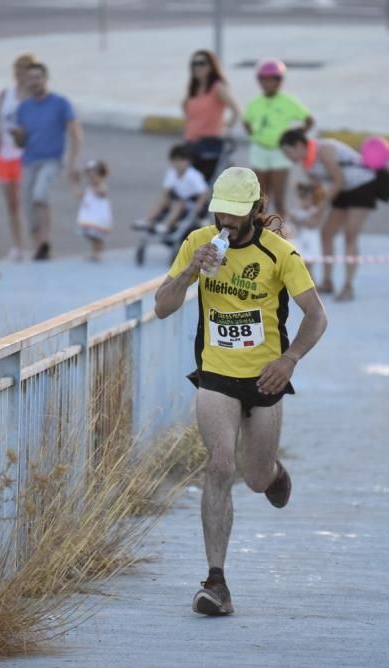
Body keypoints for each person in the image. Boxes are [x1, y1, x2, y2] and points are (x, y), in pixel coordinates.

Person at [154, 166, 328, 617]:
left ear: (255, 210)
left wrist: (289, 361)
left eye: (235, 216)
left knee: (253, 477)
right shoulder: (198, 243)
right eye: (220, 215)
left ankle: (273, 474)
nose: (226, 225)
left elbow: (316, 316)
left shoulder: (279, 254)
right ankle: (216, 583)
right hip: (215, 372)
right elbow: (161, 306)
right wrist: (190, 272)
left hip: (266, 377)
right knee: (218, 465)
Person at [280, 129, 387, 302]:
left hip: (363, 186)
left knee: (350, 236)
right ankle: (327, 281)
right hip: (343, 191)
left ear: (299, 145)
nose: (287, 157)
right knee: (326, 234)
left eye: (287, 152)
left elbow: (338, 180)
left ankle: (348, 286)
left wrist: (320, 211)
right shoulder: (306, 163)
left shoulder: (324, 149)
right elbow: (318, 193)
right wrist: (311, 215)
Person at [12, 62, 84, 261]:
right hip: (29, 161)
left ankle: (45, 240)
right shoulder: (23, 108)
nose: (34, 82)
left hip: (51, 159)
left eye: (38, 78)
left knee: (40, 195)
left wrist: (73, 161)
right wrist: (16, 136)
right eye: (30, 79)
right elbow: (21, 142)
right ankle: (39, 247)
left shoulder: (60, 103)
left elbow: (75, 133)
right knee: (28, 204)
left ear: (45, 79)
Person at [242, 58, 313, 220]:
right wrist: (254, 135)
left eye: (272, 80)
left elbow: (308, 120)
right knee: (259, 198)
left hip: (280, 152)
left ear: (279, 81)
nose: (267, 83)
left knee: (279, 197)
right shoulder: (255, 102)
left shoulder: (287, 101)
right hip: (260, 149)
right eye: (263, 80)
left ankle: (282, 235)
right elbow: (246, 121)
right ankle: (258, 232)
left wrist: (294, 138)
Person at [0, 53, 37, 262]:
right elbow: (0, 124)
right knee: (11, 203)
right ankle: (17, 246)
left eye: (24, 70)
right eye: (17, 69)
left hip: (24, 155)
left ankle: (35, 244)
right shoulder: (6, 94)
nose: (19, 74)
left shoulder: (33, 98)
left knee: (27, 201)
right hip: (4, 154)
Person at [133, 144, 209, 235]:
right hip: (179, 199)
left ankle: (166, 225)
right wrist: (165, 201)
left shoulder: (193, 175)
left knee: (178, 204)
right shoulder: (171, 172)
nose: (178, 163)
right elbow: (166, 190)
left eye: (181, 161)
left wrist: (198, 206)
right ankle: (149, 219)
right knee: (163, 200)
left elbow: (203, 193)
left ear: (188, 162)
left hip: (193, 203)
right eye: (175, 161)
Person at [183, 49, 240, 144]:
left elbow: (236, 111)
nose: (197, 67)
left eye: (202, 63)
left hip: (211, 144)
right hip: (190, 142)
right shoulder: (193, 89)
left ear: (211, 66)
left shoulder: (218, 87)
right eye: (194, 64)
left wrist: (227, 129)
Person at [76, 160, 112, 262]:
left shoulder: (101, 186)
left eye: (94, 176)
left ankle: (98, 252)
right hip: (90, 215)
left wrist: (95, 188)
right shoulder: (89, 187)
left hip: (99, 215)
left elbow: (102, 192)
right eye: (89, 176)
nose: (91, 179)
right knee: (91, 235)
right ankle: (94, 252)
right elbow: (80, 195)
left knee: (98, 236)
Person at [289, 181, 325, 281]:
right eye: (304, 199)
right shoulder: (295, 211)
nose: (306, 201)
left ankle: (312, 287)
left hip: (311, 242)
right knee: (302, 267)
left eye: (309, 199)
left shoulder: (315, 210)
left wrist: (300, 221)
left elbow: (314, 223)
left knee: (308, 267)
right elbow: (291, 221)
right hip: (299, 241)